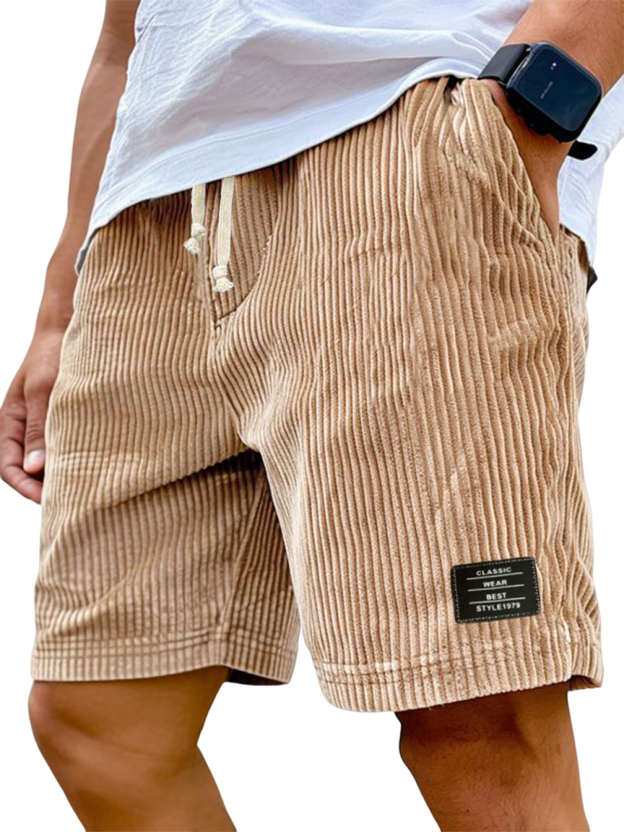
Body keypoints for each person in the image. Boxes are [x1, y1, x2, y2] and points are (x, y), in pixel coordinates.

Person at [1, 1, 622, 829]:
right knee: (99, 718)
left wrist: (530, 109)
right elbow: (122, 37)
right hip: (151, 217)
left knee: (478, 714)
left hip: (397, 144)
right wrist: (58, 307)